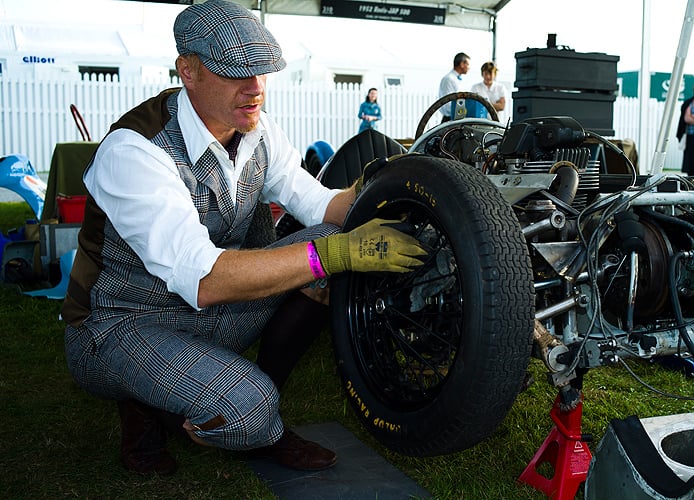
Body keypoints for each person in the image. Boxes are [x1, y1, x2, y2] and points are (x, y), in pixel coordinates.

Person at [61, 0, 426, 476]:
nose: (255, 89)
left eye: (263, 72)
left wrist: (392, 187)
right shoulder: (135, 150)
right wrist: (335, 254)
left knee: (333, 236)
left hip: (210, 310)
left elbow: (320, 206)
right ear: (187, 71)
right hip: (121, 325)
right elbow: (207, 279)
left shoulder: (255, 129)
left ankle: (239, 401)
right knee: (249, 408)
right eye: (236, 72)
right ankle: (178, 408)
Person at [438, 52, 470, 123]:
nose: (469, 67)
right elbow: (447, 104)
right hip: (450, 120)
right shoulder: (449, 79)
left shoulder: (457, 79)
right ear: (461, 64)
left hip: (457, 118)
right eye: (467, 64)